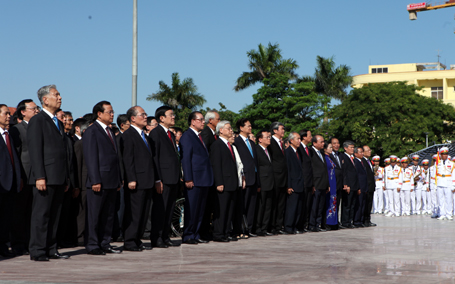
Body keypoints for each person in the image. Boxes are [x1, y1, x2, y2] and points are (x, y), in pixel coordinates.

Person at [28, 85, 70, 261]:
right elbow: (35, 150)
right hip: (45, 176)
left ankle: (51, 248)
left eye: (59, 94)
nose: (60, 97)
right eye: (56, 94)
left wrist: (66, 177)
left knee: (55, 215)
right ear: (45, 99)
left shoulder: (58, 122)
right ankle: (38, 250)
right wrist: (39, 176)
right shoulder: (38, 120)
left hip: (59, 176)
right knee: (41, 215)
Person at [83, 101, 122, 255]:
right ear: (99, 113)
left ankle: (105, 243)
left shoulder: (110, 131)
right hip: (98, 180)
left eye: (113, 112)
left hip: (112, 180)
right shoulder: (92, 131)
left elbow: (115, 158)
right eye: (109, 112)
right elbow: (91, 157)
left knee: (108, 214)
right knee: (94, 215)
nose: (112, 114)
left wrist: (118, 179)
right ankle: (93, 244)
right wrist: (95, 180)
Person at [121, 106, 157, 251]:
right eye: (142, 114)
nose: (145, 117)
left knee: (143, 212)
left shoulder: (145, 136)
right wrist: (131, 178)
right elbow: (128, 159)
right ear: (133, 118)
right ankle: (129, 241)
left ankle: (137, 239)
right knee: (134, 212)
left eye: (146, 114)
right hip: (136, 180)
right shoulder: (128, 135)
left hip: (147, 180)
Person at [9, 99, 39, 255]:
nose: (36, 111)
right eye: (33, 108)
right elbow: (16, 155)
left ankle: (30, 242)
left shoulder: (38, 127)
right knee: (20, 212)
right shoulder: (17, 130)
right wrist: (19, 176)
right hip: (24, 176)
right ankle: (18, 244)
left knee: (32, 213)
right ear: (23, 111)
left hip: (38, 177)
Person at [180, 111, 214, 244]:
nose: (203, 122)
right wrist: (188, 178)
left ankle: (195, 233)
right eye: (200, 119)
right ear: (193, 121)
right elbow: (186, 159)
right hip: (194, 179)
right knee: (192, 209)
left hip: (203, 178)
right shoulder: (187, 136)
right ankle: (188, 235)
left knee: (200, 210)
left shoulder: (199, 137)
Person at [149, 106, 181, 248]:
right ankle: (157, 237)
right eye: (170, 115)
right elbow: (155, 158)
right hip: (163, 178)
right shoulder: (156, 133)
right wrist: (158, 179)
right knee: (160, 210)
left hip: (173, 177)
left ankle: (166, 235)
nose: (173, 117)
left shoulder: (171, 134)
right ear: (161, 118)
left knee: (170, 208)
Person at [210, 121, 238, 242]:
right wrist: (219, 182)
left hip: (231, 182)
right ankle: (218, 234)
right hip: (223, 183)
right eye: (228, 128)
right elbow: (216, 165)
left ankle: (226, 232)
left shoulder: (229, 145)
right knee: (221, 210)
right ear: (221, 130)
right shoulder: (217, 145)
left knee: (229, 209)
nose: (231, 130)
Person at [0, 105, 21, 258]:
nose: (9, 116)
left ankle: (3, 248)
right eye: (6, 113)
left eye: (9, 113)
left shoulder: (9, 135)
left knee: (7, 219)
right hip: (1, 184)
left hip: (11, 184)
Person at [234, 118, 260, 237]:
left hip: (254, 178)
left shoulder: (251, 142)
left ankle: (248, 229)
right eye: (248, 126)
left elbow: (255, 162)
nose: (250, 128)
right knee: (242, 206)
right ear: (241, 127)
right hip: (244, 179)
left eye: (250, 126)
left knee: (251, 206)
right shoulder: (237, 141)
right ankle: (239, 229)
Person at [199, 109, 220, 241]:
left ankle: (207, 231)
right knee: (206, 208)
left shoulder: (213, 134)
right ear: (211, 120)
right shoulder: (206, 134)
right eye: (218, 119)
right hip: (207, 175)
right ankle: (203, 232)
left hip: (212, 175)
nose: (219, 122)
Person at [268, 122, 287, 235]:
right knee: (274, 204)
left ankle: (278, 226)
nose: (283, 131)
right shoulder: (270, 142)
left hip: (283, 178)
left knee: (281, 204)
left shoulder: (282, 143)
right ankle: (272, 226)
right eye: (281, 129)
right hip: (275, 177)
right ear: (275, 130)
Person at [284, 132, 305, 234]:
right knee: (292, 208)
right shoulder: (287, 152)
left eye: (300, 139)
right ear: (291, 140)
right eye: (297, 139)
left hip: (300, 184)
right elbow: (287, 170)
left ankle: (296, 226)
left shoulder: (299, 152)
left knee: (299, 208)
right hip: (293, 184)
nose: (299, 141)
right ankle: (289, 227)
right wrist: (288, 185)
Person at [73, 119, 89, 246]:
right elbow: (77, 166)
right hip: (83, 183)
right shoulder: (80, 144)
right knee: (82, 212)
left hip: (92, 183)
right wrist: (77, 185)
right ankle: (79, 236)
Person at [255, 130, 274, 236]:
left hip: (270, 182)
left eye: (269, 137)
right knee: (261, 206)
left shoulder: (269, 150)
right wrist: (258, 183)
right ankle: (258, 228)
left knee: (268, 207)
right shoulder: (257, 150)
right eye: (267, 137)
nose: (269, 139)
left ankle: (265, 228)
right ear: (260, 139)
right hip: (262, 182)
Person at [309, 134, 329, 232]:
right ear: (314, 143)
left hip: (323, 183)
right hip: (316, 183)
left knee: (320, 205)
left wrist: (327, 184)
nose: (323, 143)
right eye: (321, 142)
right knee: (314, 206)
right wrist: (312, 184)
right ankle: (312, 224)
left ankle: (318, 223)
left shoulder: (321, 153)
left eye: (323, 141)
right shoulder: (310, 152)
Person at [340, 141, 359, 229]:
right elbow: (344, 172)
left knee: (352, 204)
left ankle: (350, 221)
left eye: (353, 147)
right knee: (347, 205)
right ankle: (345, 222)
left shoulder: (352, 158)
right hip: (348, 185)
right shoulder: (343, 157)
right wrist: (345, 184)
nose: (352, 149)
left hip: (354, 185)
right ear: (345, 148)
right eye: (351, 147)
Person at [298, 130, 313, 232]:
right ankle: (300, 225)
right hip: (302, 181)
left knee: (308, 205)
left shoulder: (309, 150)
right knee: (301, 205)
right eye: (310, 135)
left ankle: (306, 224)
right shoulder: (298, 149)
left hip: (309, 182)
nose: (311, 137)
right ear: (304, 137)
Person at [436, 147, 454, 220]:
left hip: (448, 183)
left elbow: (454, 174)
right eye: (443, 154)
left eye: (446, 154)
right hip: (440, 182)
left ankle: (448, 214)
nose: (445, 155)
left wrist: (453, 185)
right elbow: (435, 174)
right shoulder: (437, 163)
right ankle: (442, 214)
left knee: (448, 199)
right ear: (440, 155)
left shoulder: (452, 163)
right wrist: (435, 185)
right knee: (440, 199)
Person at [329, 137, 343, 227]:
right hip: (332, 183)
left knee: (338, 203)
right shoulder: (328, 155)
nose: (336, 145)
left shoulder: (341, 155)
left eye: (338, 143)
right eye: (334, 143)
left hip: (340, 184)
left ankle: (336, 221)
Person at [323, 142, 337, 229]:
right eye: (330, 147)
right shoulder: (324, 158)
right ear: (325, 149)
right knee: (328, 201)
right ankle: (327, 222)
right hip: (328, 181)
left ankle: (333, 222)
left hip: (333, 181)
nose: (331, 149)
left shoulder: (330, 157)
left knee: (333, 201)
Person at [362, 145, 376, 227]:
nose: (370, 151)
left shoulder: (369, 161)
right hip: (366, 186)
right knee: (365, 204)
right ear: (363, 152)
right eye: (368, 150)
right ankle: (364, 220)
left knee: (369, 204)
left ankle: (368, 219)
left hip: (371, 186)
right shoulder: (363, 161)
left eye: (370, 150)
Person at [353, 147, 367, 227]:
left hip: (364, 186)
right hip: (360, 186)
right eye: (360, 152)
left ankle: (361, 220)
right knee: (359, 204)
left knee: (363, 204)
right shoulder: (355, 162)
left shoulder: (362, 162)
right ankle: (356, 220)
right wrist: (358, 187)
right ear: (355, 153)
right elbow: (357, 176)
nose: (362, 153)